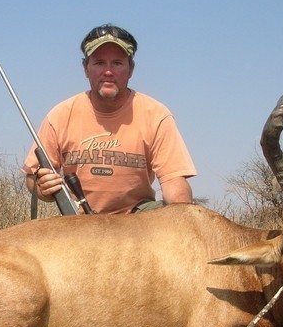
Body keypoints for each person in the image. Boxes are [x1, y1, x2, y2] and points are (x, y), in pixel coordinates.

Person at [22, 24, 197, 214]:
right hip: (78, 220)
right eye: (99, 63)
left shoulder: (156, 115)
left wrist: (182, 215)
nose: (108, 71)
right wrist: (42, 188)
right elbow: (32, 177)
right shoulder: (60, 115)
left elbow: (173, 180)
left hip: (137, 220)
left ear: (130, 69)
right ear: (86, 69)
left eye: (117, 63)